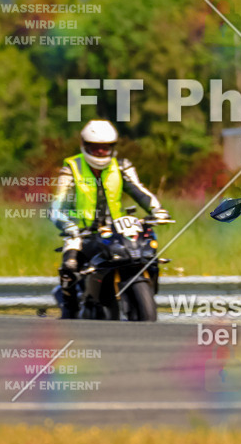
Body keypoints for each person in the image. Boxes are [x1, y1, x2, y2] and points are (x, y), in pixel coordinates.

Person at [49, 119, 169, 319]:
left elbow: (139, 191)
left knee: (145, 251)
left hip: (118, 228)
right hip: (82, 231)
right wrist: (67, 224)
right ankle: (69, 311)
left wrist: (157, 210)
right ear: (85, 146)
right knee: (69, 265)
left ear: (113, 147)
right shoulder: (72, 168)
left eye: (105, 148)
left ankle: (144, 288)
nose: (101, 153)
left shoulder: (122, 166)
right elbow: (57, 205)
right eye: (96, 149)